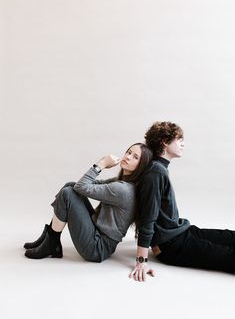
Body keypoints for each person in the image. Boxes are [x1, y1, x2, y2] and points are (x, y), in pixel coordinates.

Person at [129, 121, 235, 282]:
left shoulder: (159, 168)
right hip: (171, 246)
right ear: (165, 141)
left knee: (230, 236)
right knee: (228, 256)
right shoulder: (155, 173)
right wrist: (141, 260)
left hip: (180, 231)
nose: (183, 144)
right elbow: (147, 218)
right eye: (179, 139)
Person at [24, 143, 153, 263]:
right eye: (129, 152)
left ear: (140, 166)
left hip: (97, 247)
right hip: (96, 232)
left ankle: (52, 242)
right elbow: (82, 186)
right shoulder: (120, 182)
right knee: (70, 186)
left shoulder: (123, 190)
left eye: (135, 157)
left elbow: (82, 187)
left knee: (67, 193)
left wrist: (101, 164)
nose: (128, 157)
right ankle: (50, 238)